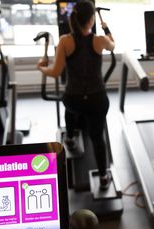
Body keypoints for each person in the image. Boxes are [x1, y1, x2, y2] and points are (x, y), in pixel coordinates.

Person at [37, 0, 115, 189]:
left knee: (69, 109)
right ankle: (104, 177)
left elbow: (55, 72)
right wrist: (106, 28)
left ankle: (70, 138)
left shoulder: (65, 41)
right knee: (98, 137)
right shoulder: (99, 40)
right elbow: (113, 45)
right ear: (91, 20)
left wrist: (41, 68)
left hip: (74, 100)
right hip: (98, 100)